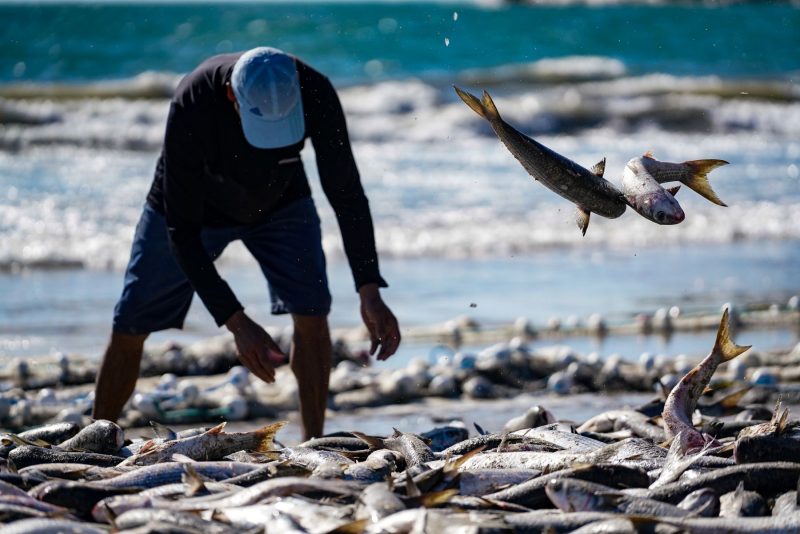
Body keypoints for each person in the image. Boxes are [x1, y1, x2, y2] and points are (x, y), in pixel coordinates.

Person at [92, 47, 401, 440]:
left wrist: (369, 289)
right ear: (231, 97)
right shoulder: (194, 100)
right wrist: (236, 322)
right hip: (194, 208)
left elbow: (347, 194)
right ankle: (96, 441)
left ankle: (313, 442)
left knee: (312, 312)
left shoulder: (316, 91)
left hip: (282, 201)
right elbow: (181, 234)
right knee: (131, 321)